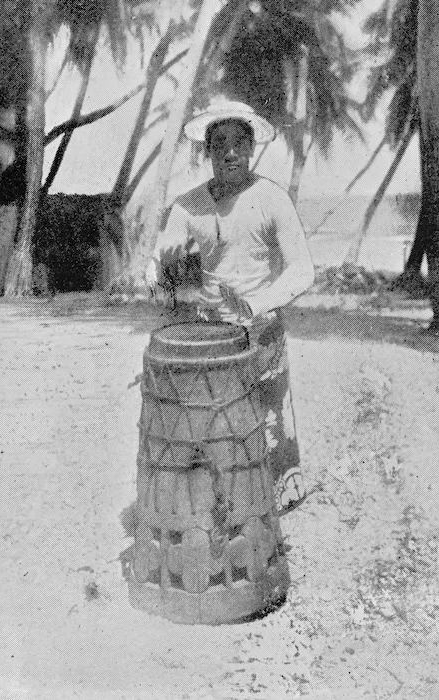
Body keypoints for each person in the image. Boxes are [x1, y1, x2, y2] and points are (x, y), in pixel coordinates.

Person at [145, 97, 315, 515]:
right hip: (208, 338)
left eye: (240, 141)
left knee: (268, 424)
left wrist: (257, 304)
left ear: (253, 147)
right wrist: (162, 278)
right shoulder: (188, 207)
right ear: (207, 150)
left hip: (261, 330)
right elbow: (158, 267)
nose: (230, 151)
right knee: (207, 429)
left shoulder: (272, 199)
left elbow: (303, 271)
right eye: (219, 142)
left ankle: (275, 505)